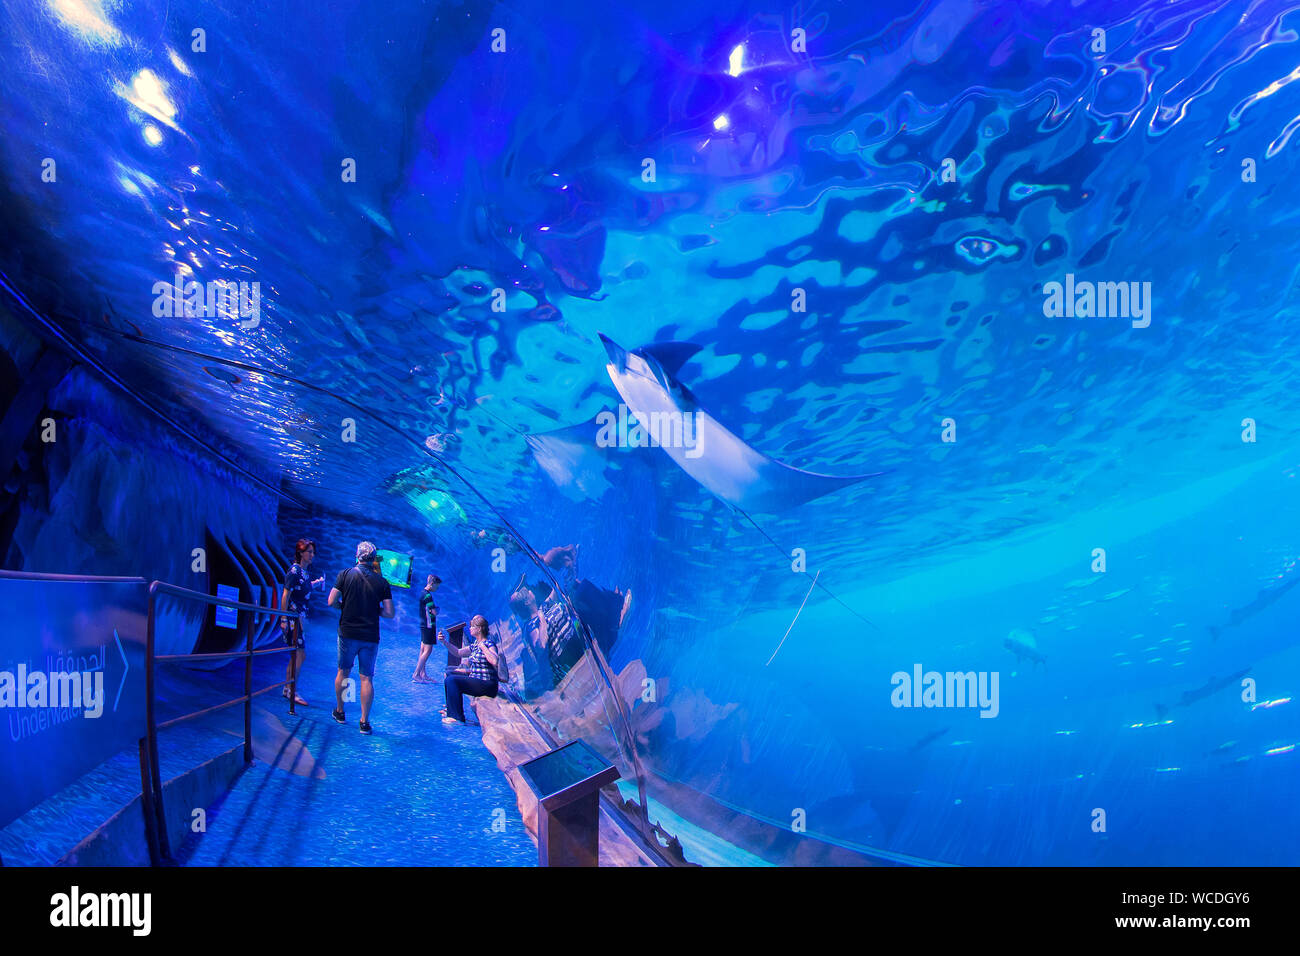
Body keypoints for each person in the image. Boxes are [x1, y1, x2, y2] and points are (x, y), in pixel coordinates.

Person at [327, 540, 394, 735]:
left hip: (347, 633)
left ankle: (340, 711)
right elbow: (390, 613)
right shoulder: (382, 583)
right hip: (370, 636)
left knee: (344, 672)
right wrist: (373, 610)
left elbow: (331, 601)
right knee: (366, 678)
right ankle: (364, 722)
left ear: (357, 556)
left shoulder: (345, 574)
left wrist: (346, 607)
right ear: (374, 560)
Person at [280, 538, 323, 707]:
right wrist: (283, 618)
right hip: (293, 618)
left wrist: (316, 583)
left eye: (313, 552)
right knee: (300, 654)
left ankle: (288, 688)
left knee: (296, 655)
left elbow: (303, 588)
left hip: (300, 619)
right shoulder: (294, 571)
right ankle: (292, 690)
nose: (312, 555)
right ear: (301, 553)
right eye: (309, 552)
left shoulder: (304, 573)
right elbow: (286, 595)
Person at [440, 615, 499, 724]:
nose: (470, 628)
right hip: (476, 679)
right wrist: (444, 642)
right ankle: (451, 708)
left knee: (452, 680)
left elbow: (495, 661)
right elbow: (458, 652)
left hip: (487, 684)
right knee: (449, 674)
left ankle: (456, 717)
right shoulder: (475, 645)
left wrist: (484, 648)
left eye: (472, 626)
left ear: (479, 628)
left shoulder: (489, 644)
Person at [413, 574, 445, 683]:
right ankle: (416, 674)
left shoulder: (423, 593)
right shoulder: (428, 596)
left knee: (423, 650)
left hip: (423, 624)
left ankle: (423, 673)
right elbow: (434, 612)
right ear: (432, 583)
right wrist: (438, 609)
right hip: (428, 625)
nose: (437, 588)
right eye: (437, 586)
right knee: (428, 650)